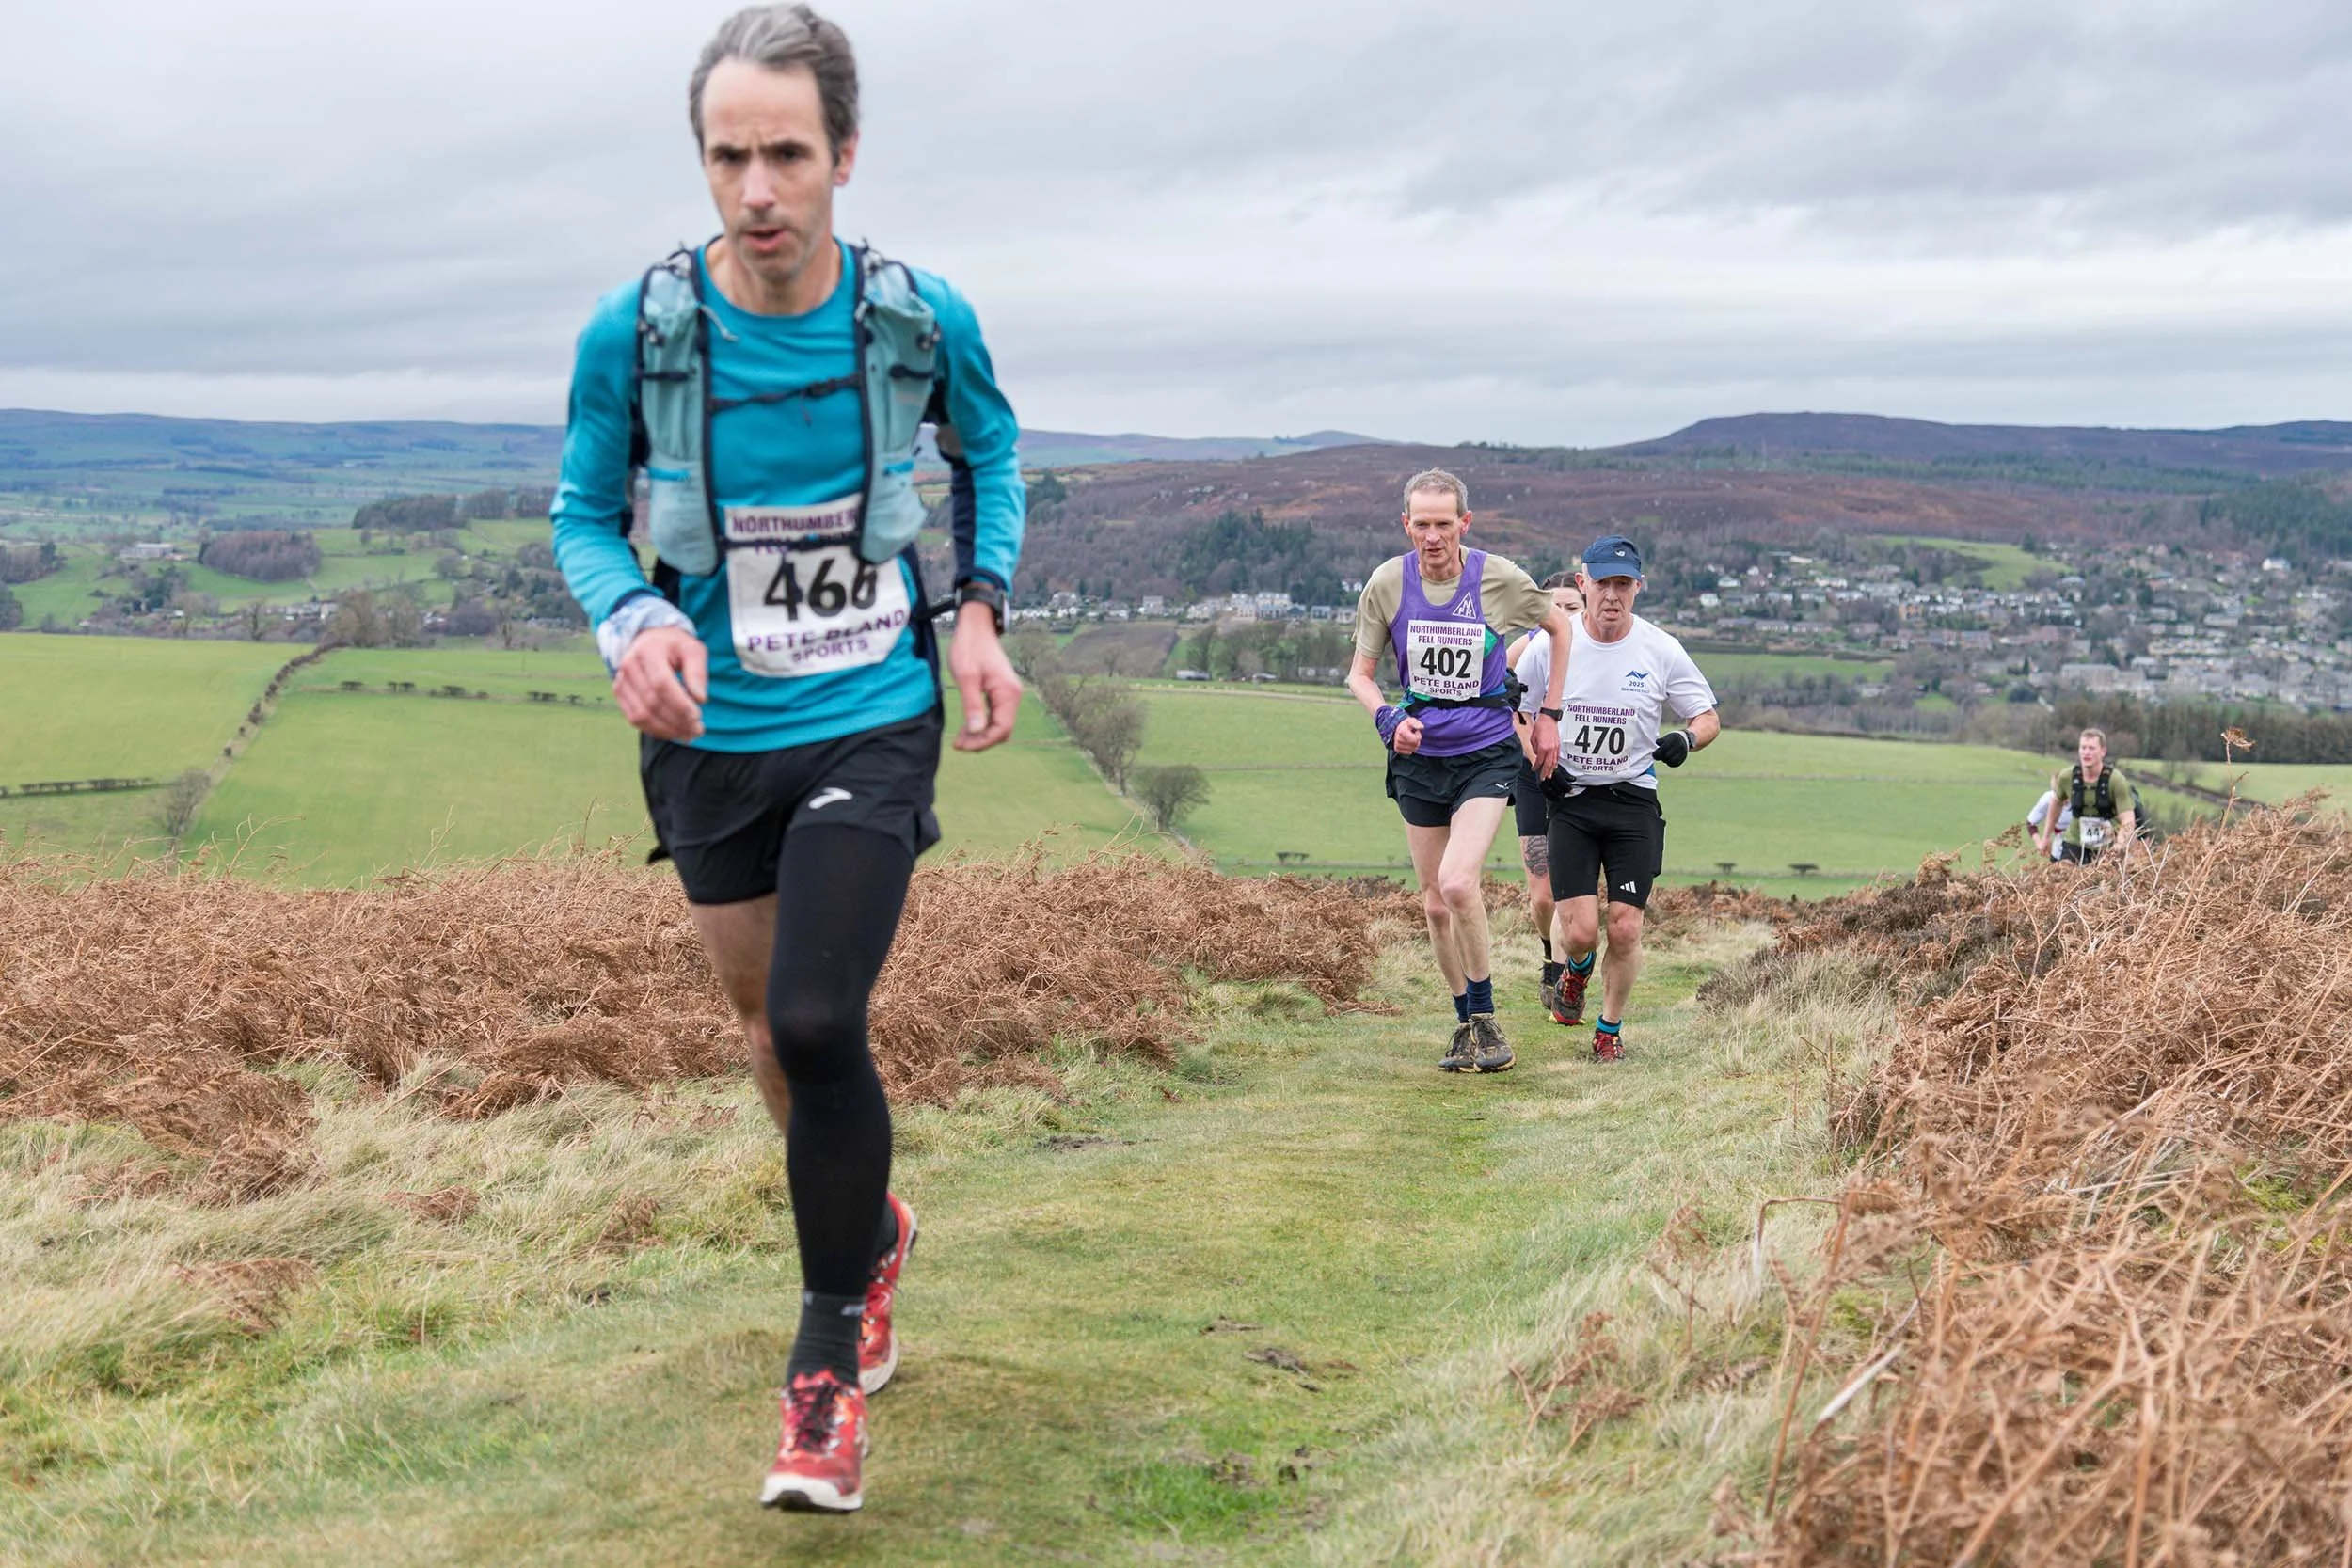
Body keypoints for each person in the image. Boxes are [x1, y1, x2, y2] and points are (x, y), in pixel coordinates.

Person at [549, 4, 1025, 1515]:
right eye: (727, 156)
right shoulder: (635, 333)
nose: (756, 190)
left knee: (821, 1021)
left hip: (871, 712)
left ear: (845, 156)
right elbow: (576, 510)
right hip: (710, 737)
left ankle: (822, 1377)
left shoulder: (913, 316)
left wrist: (979, 612)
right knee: (767, 1032)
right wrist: (628, 615)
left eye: (787, 156)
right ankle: (869, 1233)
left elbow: (992, 451)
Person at [1346, 469, 1574, 1074]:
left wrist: (1547, 715)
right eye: (1421, 524)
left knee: (1456, 882)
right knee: (1434, 904)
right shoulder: (1389, 583)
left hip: (1486, 752)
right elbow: (1360, 675)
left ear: (1464, 524)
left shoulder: (1496, 577)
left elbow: (1559, 625)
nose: (1432, 536)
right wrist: (1387, 719)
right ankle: (1463, 1023)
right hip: (1419, 758)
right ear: (1406, 525)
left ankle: (1487, 1016)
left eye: (1443, 524)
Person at [1516, 535, 1719, 1063]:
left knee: (1625, 926)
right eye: (1602, 582)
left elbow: (1707, 716)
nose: (1611, 595)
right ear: (1582, 583)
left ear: (1638, 589)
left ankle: (1608, 1031)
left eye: (1623, 584)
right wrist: (1541, 767)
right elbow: (1513, 707)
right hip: (1573, 801)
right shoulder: (1552, 644)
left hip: (1632, 802)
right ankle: (1577, 970)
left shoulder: (1660, 648)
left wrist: (1686, 739)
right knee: (1581, 933)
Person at [1507, 572, 1585, 1018]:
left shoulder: (1594, 653)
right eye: (1552, 607)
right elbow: (1512, 711)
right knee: (1541, 896)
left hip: (1581, 776)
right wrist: (1535, 759)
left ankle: (1563, 977)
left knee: (1569, 889)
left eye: (1571, 607)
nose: (1561, 614)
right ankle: (1546, 951)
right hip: (1533, 772)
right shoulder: (1525, 650)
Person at [2035, 727, 2137, 864]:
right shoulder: (2067, 777)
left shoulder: (2116, 781)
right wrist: (2046, 837)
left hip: (2107, 846)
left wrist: (2120, 844)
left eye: (2091, 748)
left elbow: (2128, 818)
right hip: (2075, 841)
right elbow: (2056, 803)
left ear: (2103, 751)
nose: (2086, 753)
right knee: (2062, 875)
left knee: (2104, 884)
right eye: (2083, 748)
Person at [2023, 784, 2074, 863]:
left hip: (2083, 847)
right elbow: (2031, 822)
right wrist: (2040, 843)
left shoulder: (2083, 799)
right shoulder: (2047, 799)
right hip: (2058, 849)